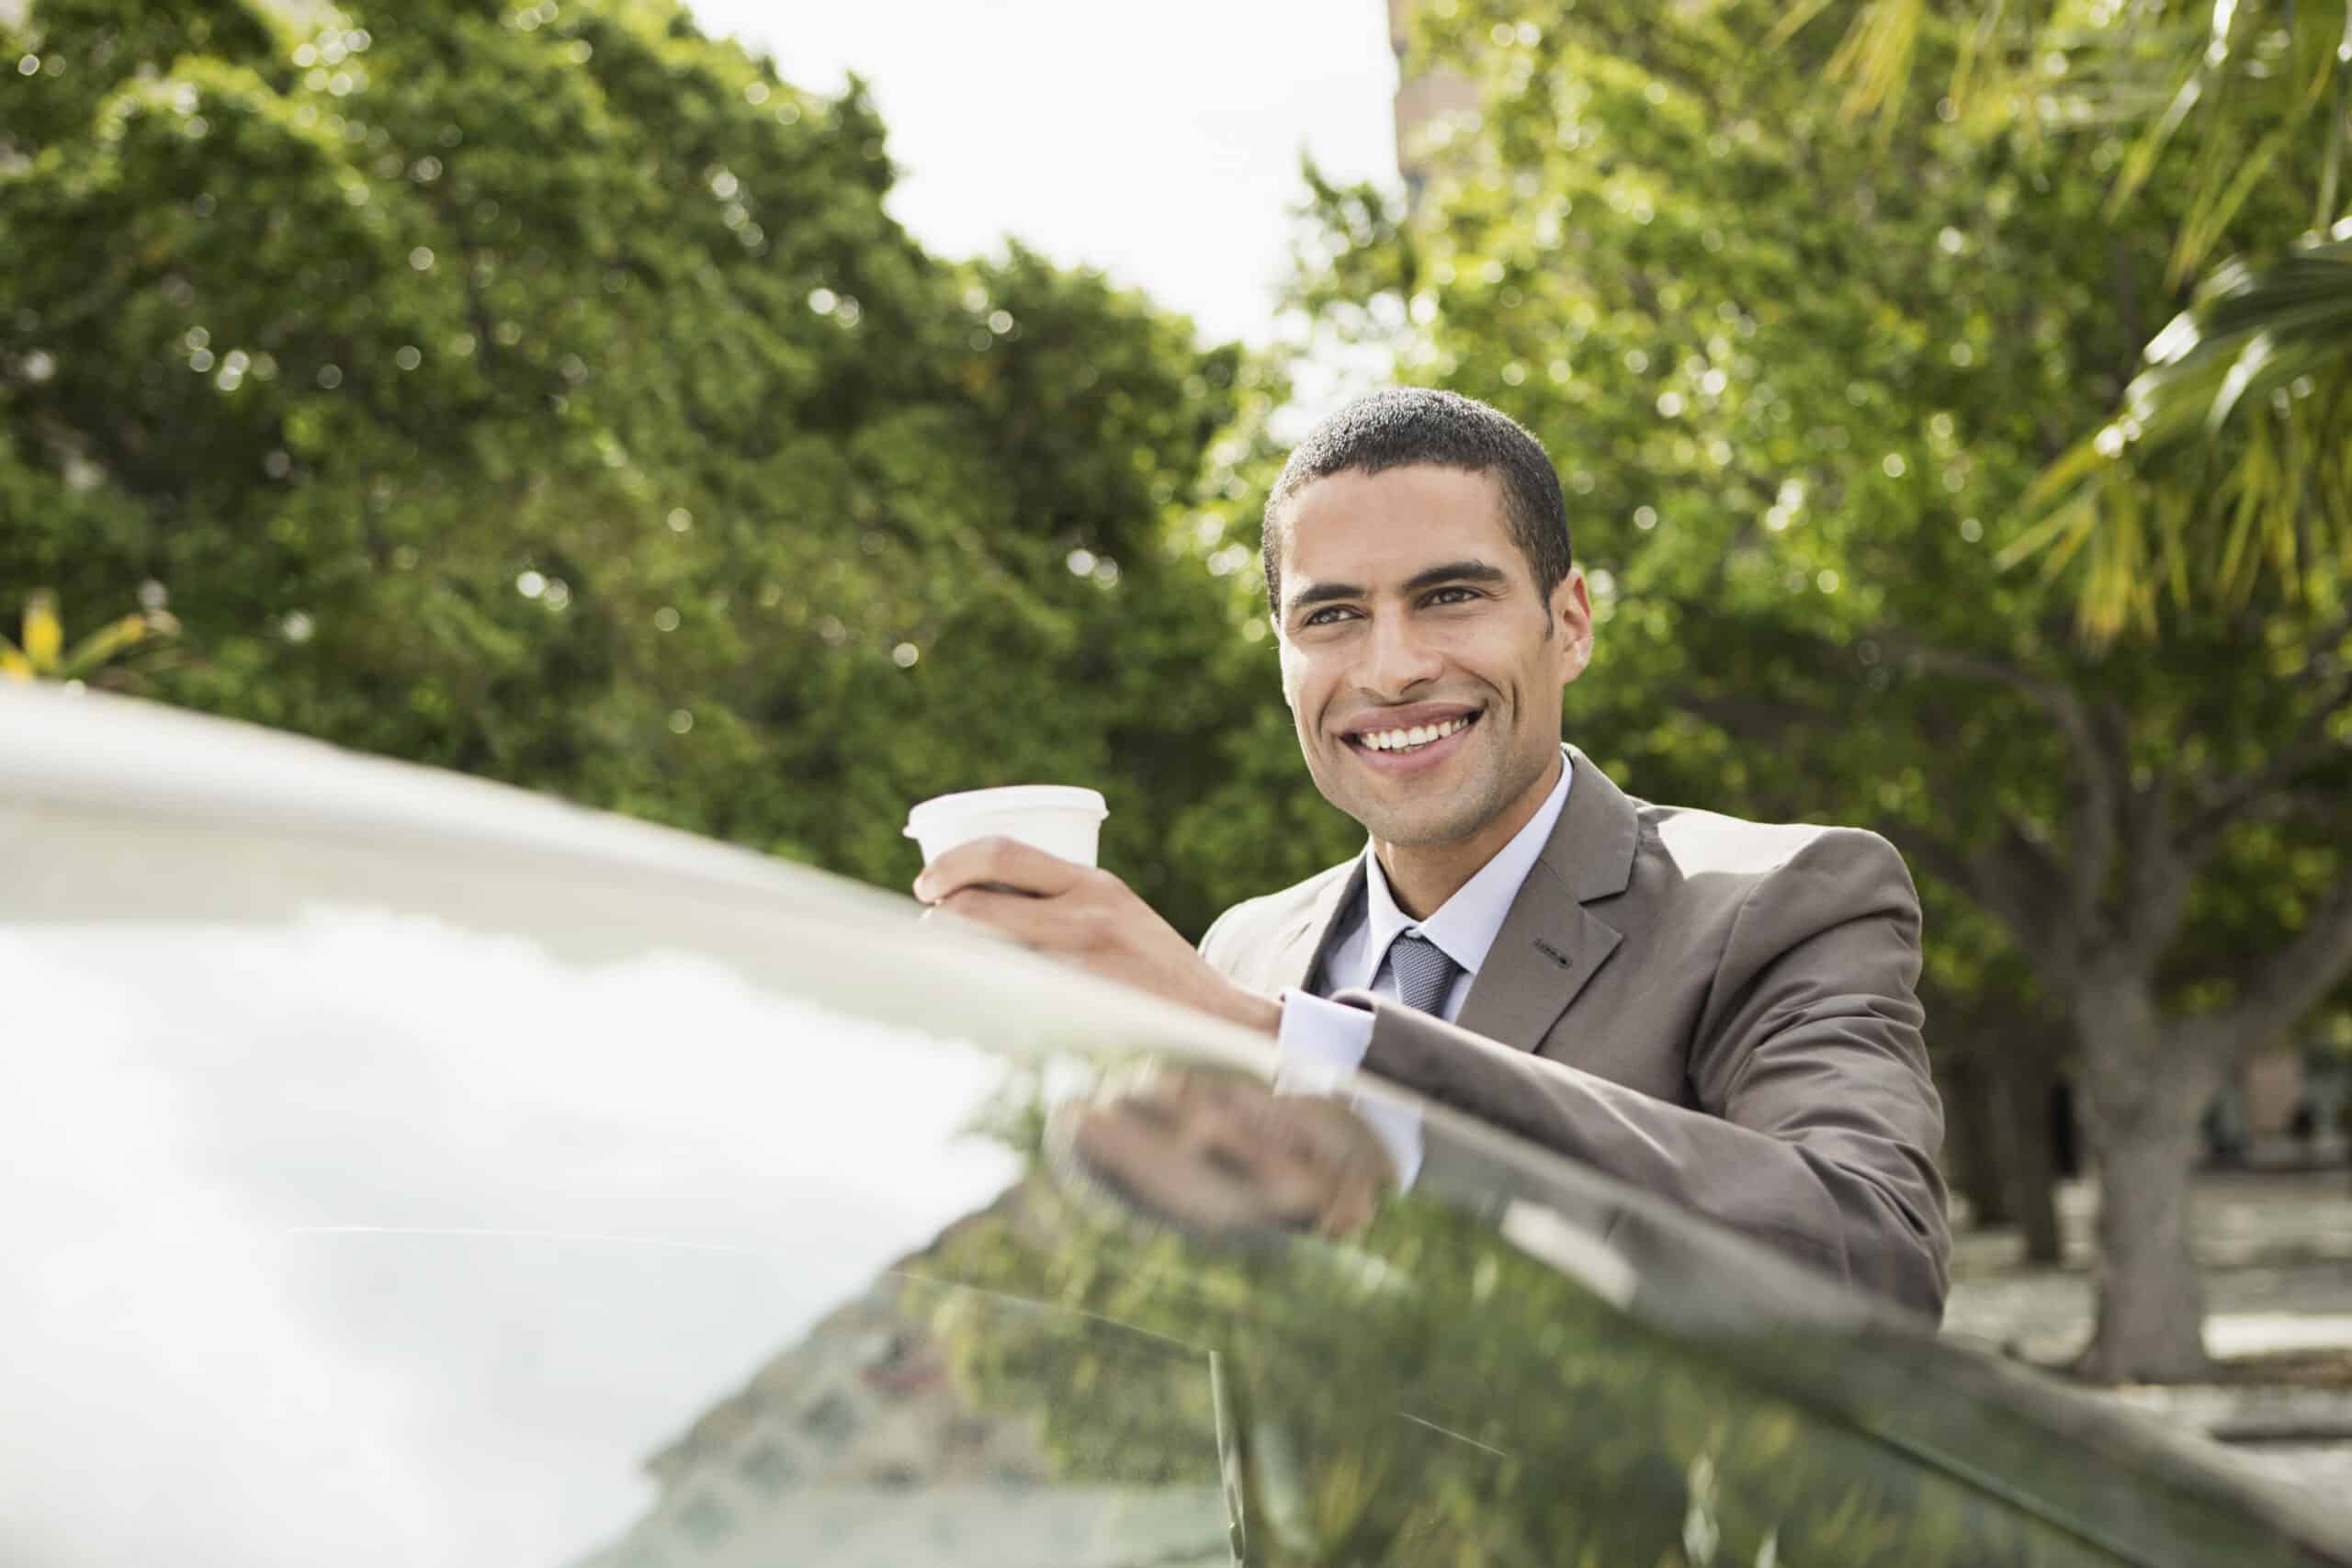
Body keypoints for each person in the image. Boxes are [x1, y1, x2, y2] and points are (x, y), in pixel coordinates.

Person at [914, 388, 1949, 1318]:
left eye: (1450, 596)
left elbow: (1873, 1263)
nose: (1393, 667)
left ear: (1571, 622)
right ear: (1282, 659)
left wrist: (1307, 1055)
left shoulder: (1781, 902)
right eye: (1331, 615)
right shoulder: (1241, 950)